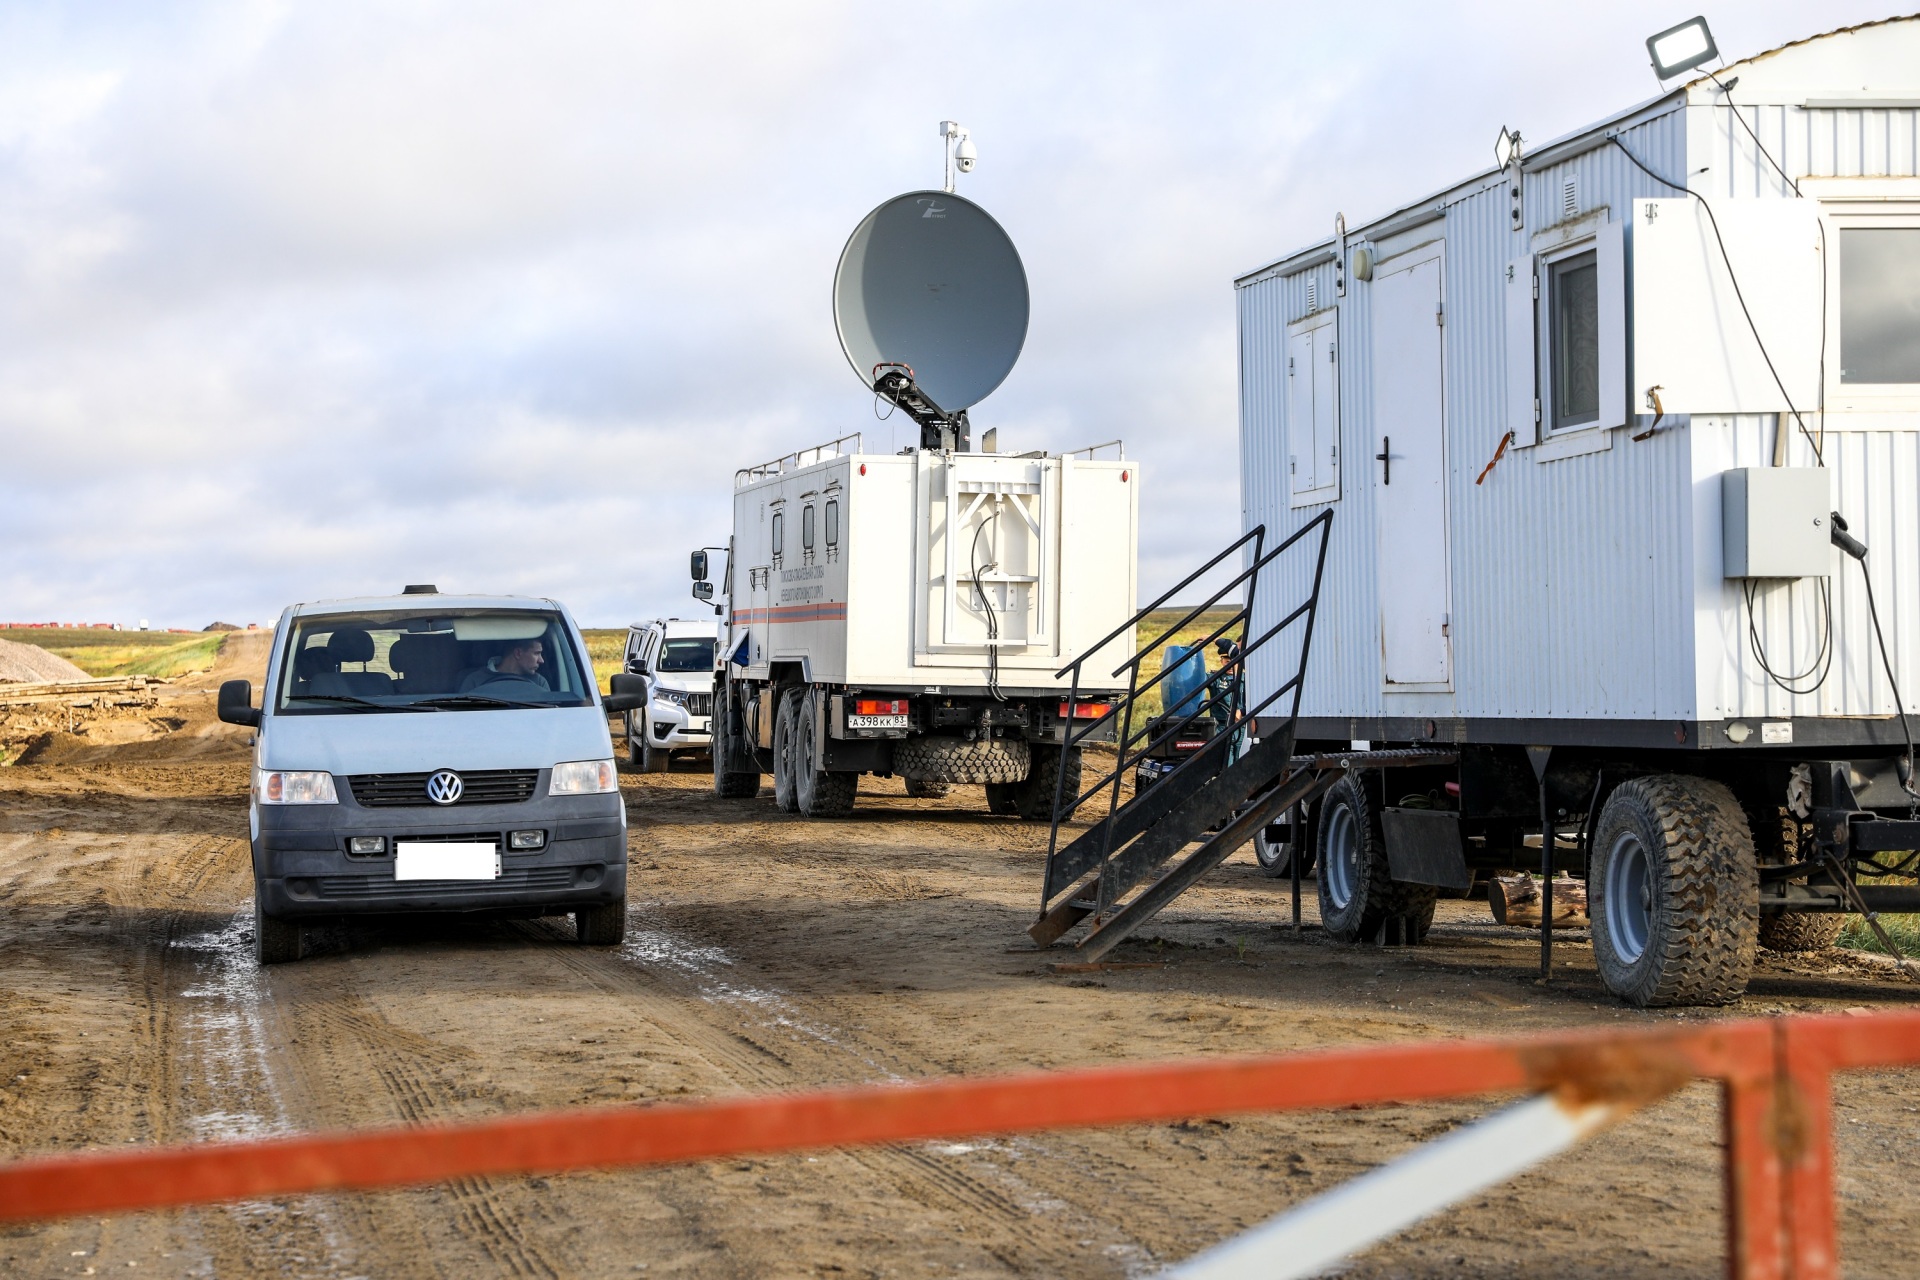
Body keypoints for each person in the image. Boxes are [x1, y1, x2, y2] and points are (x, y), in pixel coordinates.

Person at [460, 638, 550, 693]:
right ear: (518, 653)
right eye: (536, 653)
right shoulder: (474, 681)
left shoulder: (539, 682)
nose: (541, 661)